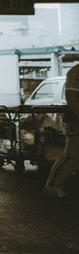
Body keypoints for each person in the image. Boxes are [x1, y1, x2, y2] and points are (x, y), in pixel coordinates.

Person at [44, 64, 79, 198]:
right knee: (72, 155)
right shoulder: (77, 71)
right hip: (76, 122)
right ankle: (52, 185)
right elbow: (71, 96)